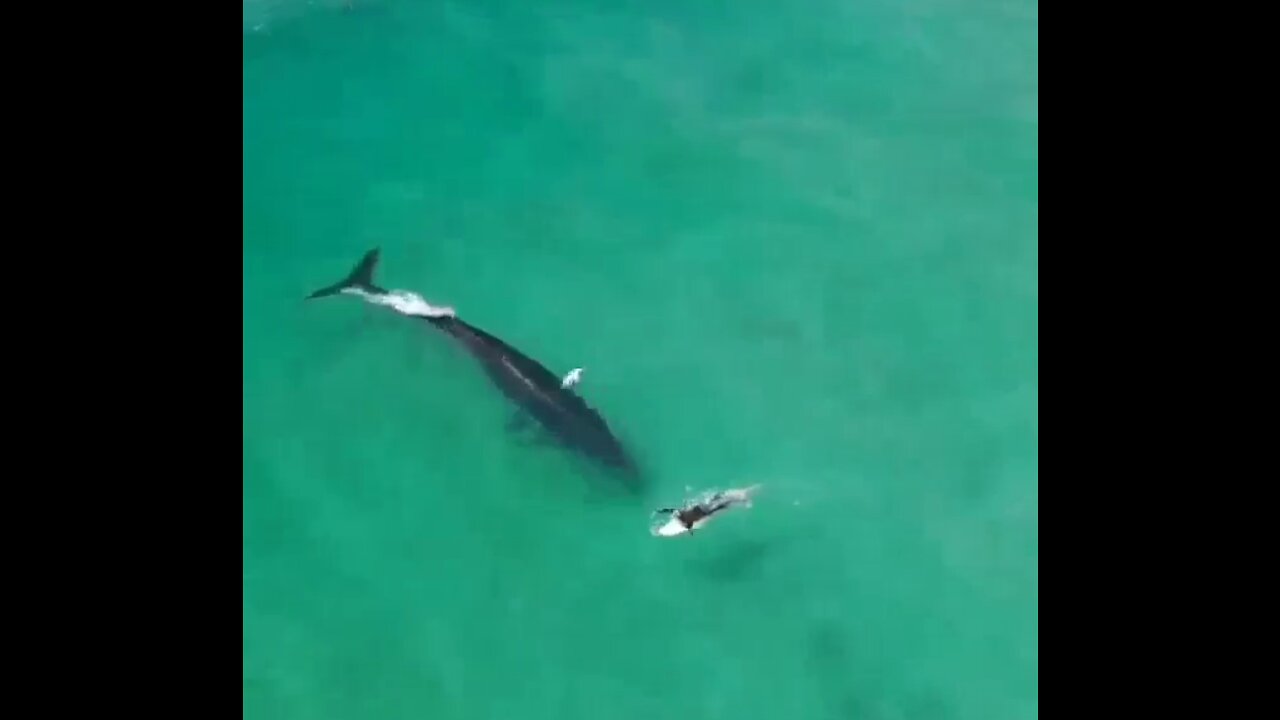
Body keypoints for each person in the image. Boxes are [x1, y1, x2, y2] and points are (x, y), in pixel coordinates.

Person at [652, 485, 761, 536]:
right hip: (701, 507)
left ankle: (744, 499)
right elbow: (676, 511)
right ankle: (745, 493)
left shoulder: (688, 522)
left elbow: (702, 523)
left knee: (725, 504)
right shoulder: (679, 514)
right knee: (719, 498)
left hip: (706, 512)